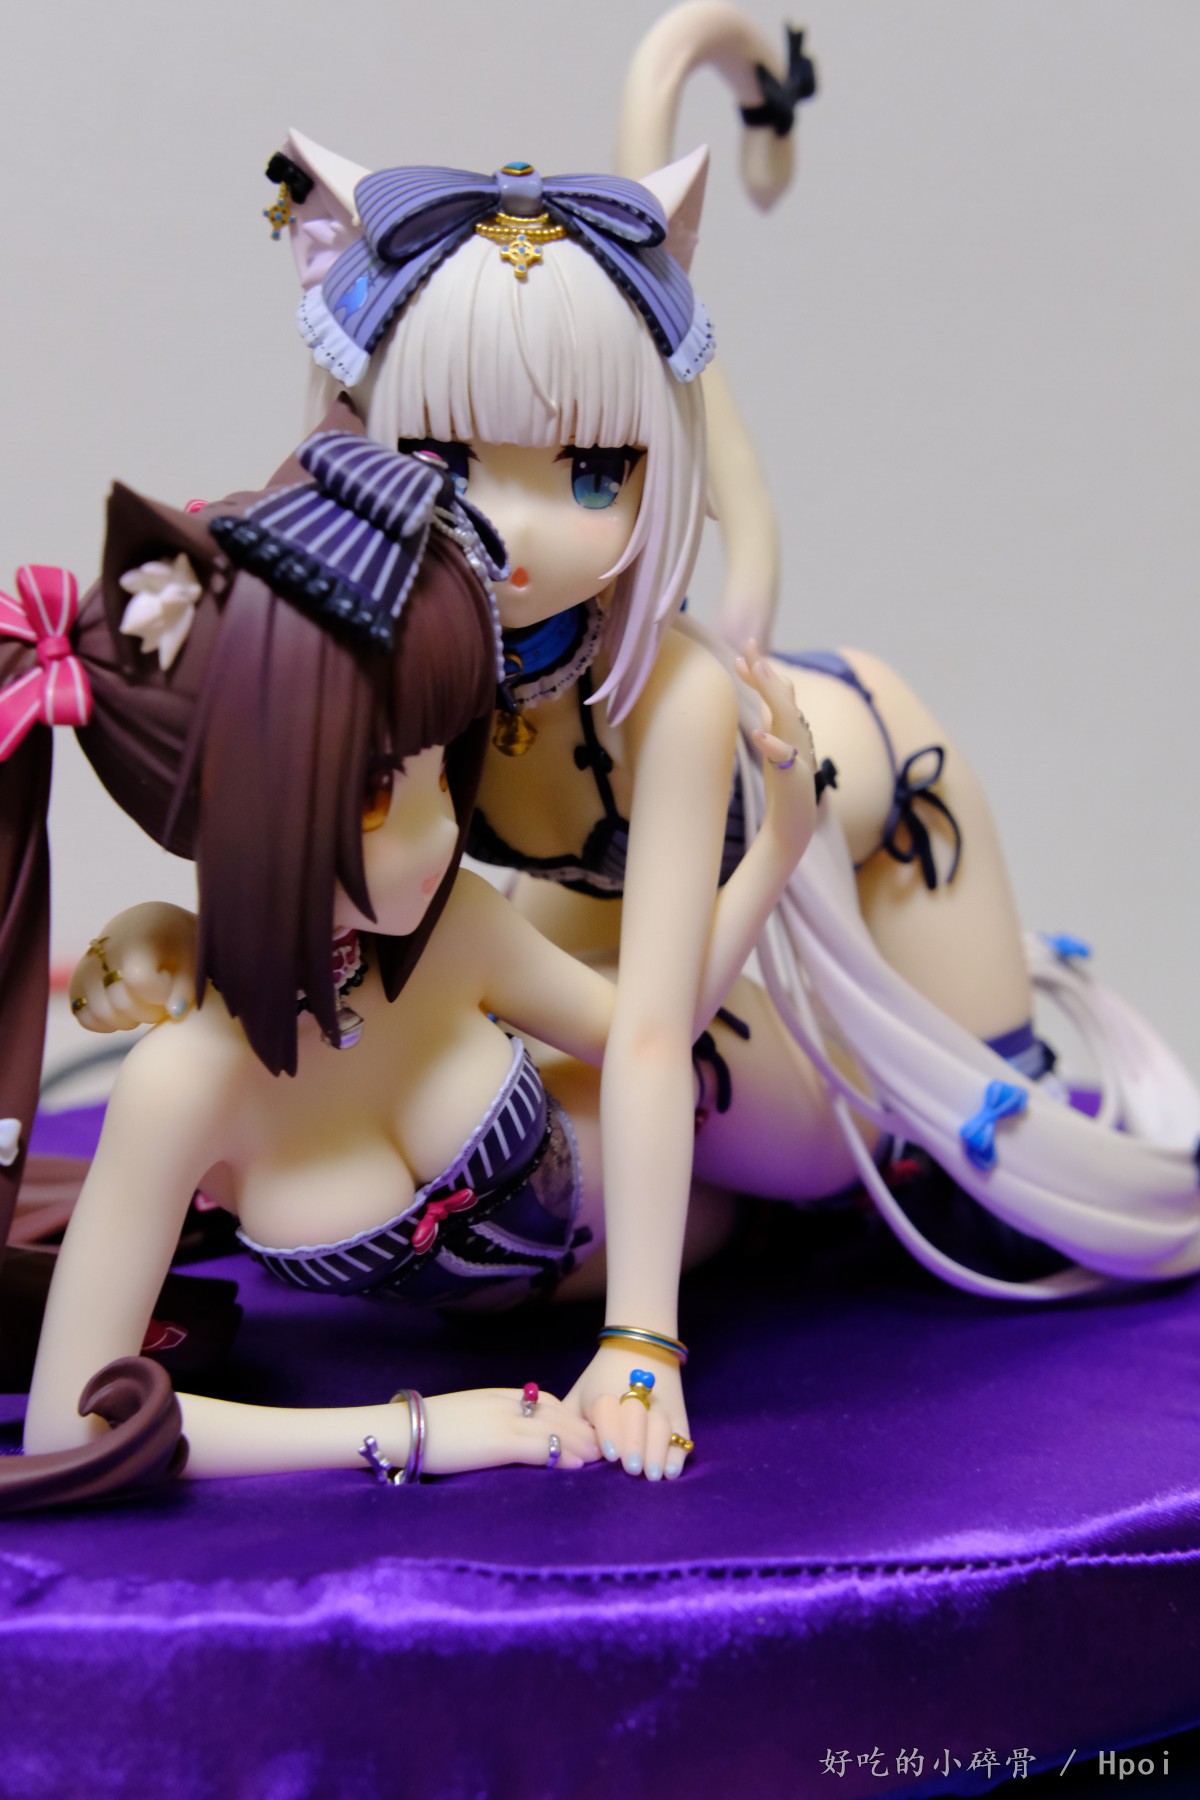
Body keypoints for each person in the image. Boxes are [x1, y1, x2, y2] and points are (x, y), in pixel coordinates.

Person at [69, 11, 1200, 1481]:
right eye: (447, 459)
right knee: (570, 1102)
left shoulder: (670, 700)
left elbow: (652, 1031)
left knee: (925, 1179)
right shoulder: (399, 633)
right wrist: (200, 930)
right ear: (356, 423)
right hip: (598, 922)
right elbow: (327, 817)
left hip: (864, 818)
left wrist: (642, 1344)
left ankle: (931, 1117)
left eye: (593, 470)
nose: (519, 530)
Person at [9, 419, 817, 1502]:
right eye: (379, 794)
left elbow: (651, 1033)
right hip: (625, 1275)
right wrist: (416, 1430)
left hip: (720, 1141)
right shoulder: (185, 1082)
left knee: (859, 1152)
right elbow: (73, 1418)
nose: (444, 831)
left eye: (447, 766)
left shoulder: (454, 927)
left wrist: (779, 845)